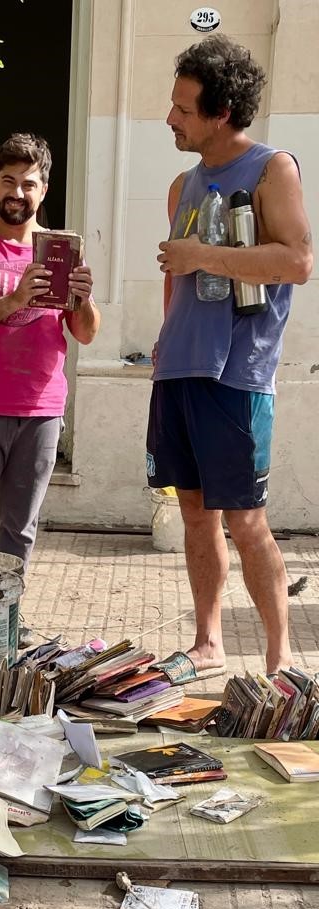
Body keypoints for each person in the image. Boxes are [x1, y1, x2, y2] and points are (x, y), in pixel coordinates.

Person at [148, 36, 312, 682]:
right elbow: (174, 275)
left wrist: (203, 257)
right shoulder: (181, 185)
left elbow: (298, 262)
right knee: (194, 514)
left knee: (246, 520)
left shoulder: (274, 170)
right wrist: (166, 336)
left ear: (221, 112)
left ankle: (280, 657)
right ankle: (208, 641)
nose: (171, 119)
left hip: (238, 378)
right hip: (180, 371)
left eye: (183, 109)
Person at [0, 132, 100, 597]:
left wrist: (83, 301)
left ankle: (5, 622)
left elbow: (86, 332)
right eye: (8, 181)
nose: (17, 193)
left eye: (28, 184)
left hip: (41, 411)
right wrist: (13, 299)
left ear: (43, 190)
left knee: (19, 532)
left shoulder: (60, 252)